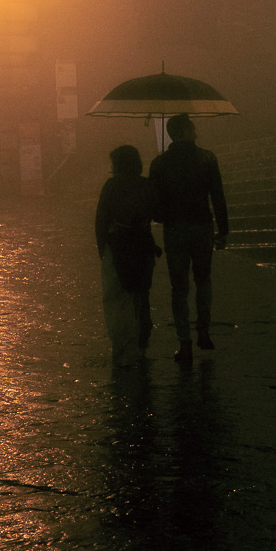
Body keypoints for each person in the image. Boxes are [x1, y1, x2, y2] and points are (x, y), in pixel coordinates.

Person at [149, 113, 228, 366]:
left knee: (179, 287)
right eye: (192, 128)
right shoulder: (207, 158)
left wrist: (164, 215)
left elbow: (155, 205)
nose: (196, 132)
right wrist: (223, 230)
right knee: (203, 280)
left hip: (175, 229)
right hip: (202, 226)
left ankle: (184, 342)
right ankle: (203, 331)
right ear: (184, 130)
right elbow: (217, 196)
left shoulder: (159, 163)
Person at [95, 144, 158, 367]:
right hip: (143, 246)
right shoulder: (146, 185)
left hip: (118, 247)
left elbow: (101, 221)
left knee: (118, 298)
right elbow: (157, 214)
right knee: (141, 296)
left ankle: (123, 347)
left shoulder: (112, 186)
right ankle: (140, 344)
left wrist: (103, 251)